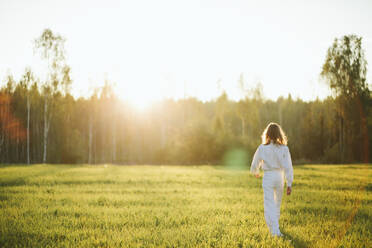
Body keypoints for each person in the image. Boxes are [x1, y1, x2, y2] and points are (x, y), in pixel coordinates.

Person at [250, 122, 293, 237]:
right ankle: (275, 228)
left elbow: (255, 162)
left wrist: (256, 171)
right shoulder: (284, 148)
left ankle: (275, 231)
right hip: (280, 177)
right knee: (277, 203)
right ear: (279, 134)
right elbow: (288, 166)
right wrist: (289, 183)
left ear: (267, 134)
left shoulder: (262, 148)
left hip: (268, 176)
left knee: (269, 204)